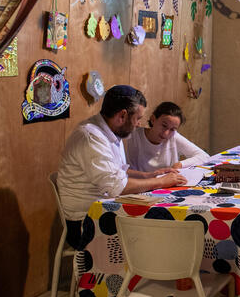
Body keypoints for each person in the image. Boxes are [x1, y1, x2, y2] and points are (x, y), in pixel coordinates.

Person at [56, 86, 185, 222]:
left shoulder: (111, 132)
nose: (138, 124)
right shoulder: (91, 137)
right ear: (122, 115)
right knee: (164, 222)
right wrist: (161, 181)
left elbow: (118, 172)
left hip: (106, 208)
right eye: (137, 118)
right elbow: (117, 187)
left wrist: (148, 175)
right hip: (87, 220)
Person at [125, 101, 210, 172]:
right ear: (153, 119)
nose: (166, 133)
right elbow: (129, 171)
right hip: (141, 186)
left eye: (172, 129)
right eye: (164, 126)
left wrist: (180, 164)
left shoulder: (174, 137)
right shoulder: (134, 135)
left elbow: (204, 156)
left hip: (167, 186)